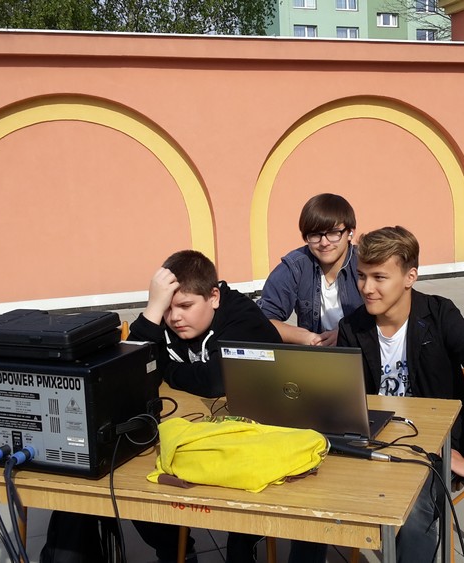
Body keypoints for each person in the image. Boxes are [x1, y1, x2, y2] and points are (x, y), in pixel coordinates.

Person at [337, 226, 464, 563]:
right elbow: (344, 399)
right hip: (373, 443)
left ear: (410, 277)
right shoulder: (352, 327)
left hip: (433, 448)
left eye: (379, 277)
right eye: (361, 276)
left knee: (413, 515)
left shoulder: (439, 316)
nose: (366, 288)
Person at [127, 249, 280, 563]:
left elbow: (217, 381)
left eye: (185, 306)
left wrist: (166, 368)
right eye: (167, 309)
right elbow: (129, 373)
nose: (175, 318)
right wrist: (152, 311)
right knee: (132, 480)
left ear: (214, 297)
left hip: (259, 433)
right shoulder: (165, 317)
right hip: (194, 427)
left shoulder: (242, 315)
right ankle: (176, 551)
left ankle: (242, 544)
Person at [258, 193, 362, 347]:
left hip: (362, 352)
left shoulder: (365, 264)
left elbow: (389, 316)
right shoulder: (295, 266)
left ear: (350, 233)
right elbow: (262, 319)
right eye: (315, 235)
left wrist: (347, 334)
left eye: (333, 233)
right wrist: (306, 338)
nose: (324, 243)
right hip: (315, 354)